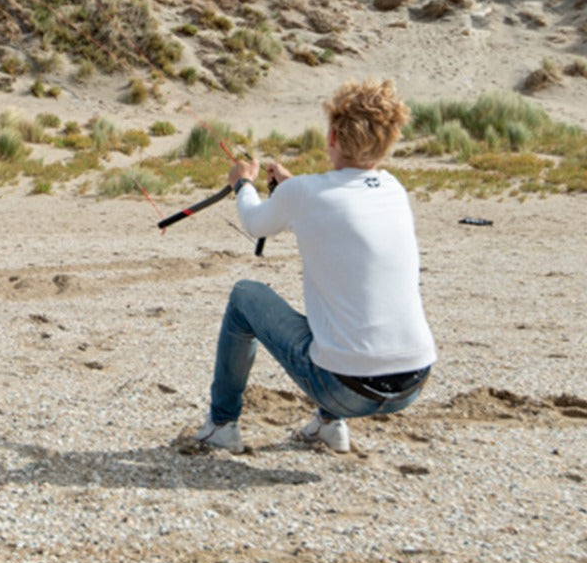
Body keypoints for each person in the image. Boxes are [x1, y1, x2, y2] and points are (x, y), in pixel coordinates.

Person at [182, 78, 436, 455]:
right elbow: (334, 201)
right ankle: (328, 426)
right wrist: (291, 187)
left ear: (332, 137)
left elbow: (255, 223)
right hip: (413, 382)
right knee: (340, 307)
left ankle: (222, 424)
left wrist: (243, 184)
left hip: (345, 388)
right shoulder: (393, 188)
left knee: (245, 296)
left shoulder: (305, 193)